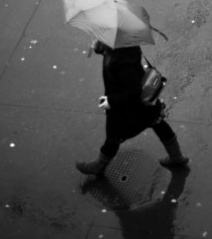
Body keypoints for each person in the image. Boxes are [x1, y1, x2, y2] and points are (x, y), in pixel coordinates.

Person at [76, 40, 189, 176]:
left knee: (113, 136)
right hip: (142, 106)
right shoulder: (125, 45)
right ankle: (176, 156)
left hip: (127, 107)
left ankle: (99, 166)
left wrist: (111, 101)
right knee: (157, 122)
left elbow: (134, 91)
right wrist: (100, 48)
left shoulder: (122, 62)